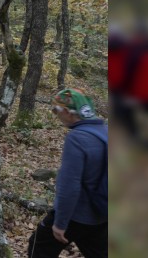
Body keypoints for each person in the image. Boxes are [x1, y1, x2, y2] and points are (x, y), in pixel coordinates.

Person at [28, 89, 107, 258]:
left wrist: (60, 223)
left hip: (77, 214)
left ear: (67, 111)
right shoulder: (107, 132)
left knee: (38, 247)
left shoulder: (77, 138)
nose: (57, 116)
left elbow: (69, 186)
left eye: (56, 110)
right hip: (102, 213)